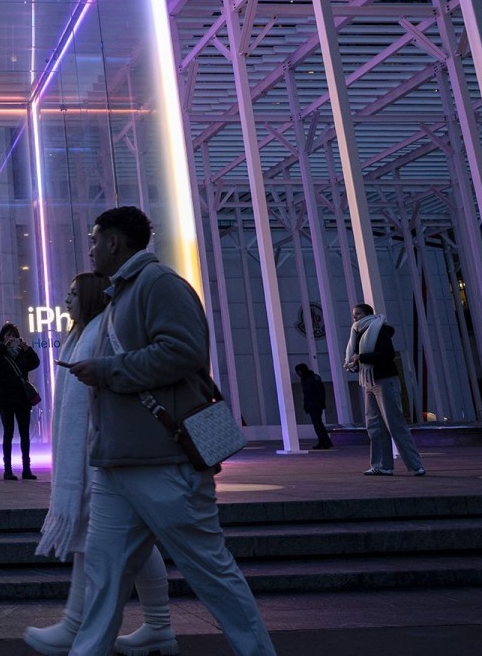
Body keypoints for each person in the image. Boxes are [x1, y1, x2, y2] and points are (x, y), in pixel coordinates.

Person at [67, 206, 275, 656]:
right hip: (118, 461)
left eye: (93, 239)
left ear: (114, 243)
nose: (89, 249)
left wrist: (106, 370)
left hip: (164, 462)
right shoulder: (120, 293)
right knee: (103, 575)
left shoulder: (159, 285)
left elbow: (184, 352)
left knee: (210, 571)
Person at [25, 272, 176, 656]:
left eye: (73, 293)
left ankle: (77, 627)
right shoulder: (84, 334)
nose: (65, 300)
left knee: (95, 537)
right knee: (136, 541)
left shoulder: (99, 333)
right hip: (110, 451)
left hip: (110, 452)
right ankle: (158, 626)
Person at [345, 303, 425, 477]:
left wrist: (361, 357)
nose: (354, 317)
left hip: (384, 380)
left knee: (394, 423)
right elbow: (360, 357)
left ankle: (415, 464)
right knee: (374, 425)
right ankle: (382, 465)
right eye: (353, 314)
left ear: (367, 314)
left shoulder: (379, 329)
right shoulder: (358, 333)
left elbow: (387, 355)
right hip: (368, 380)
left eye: (357, 314)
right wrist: (353, 363)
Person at [0, 322, 41, 480]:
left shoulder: (22, 354)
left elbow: (35, 362)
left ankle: (26, 469)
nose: (11, 338)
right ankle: (7, 469)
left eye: (14, 335)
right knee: (8, 433)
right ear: (2, 337)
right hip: (5, 398)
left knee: (24, 433)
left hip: (22, 397)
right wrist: (3, 346)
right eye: (8, 335)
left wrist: (26, 348)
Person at [295, 364, 332, 450]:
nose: (299, 373)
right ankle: (323, 441)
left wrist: (321, 402)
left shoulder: (314, 378)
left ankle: (325, 442)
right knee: (317, 424)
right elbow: (306, 394)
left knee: (318, 424)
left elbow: (321, 391)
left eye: (299, 371)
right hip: (311, 405)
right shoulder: (304, 379)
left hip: (316, 404)